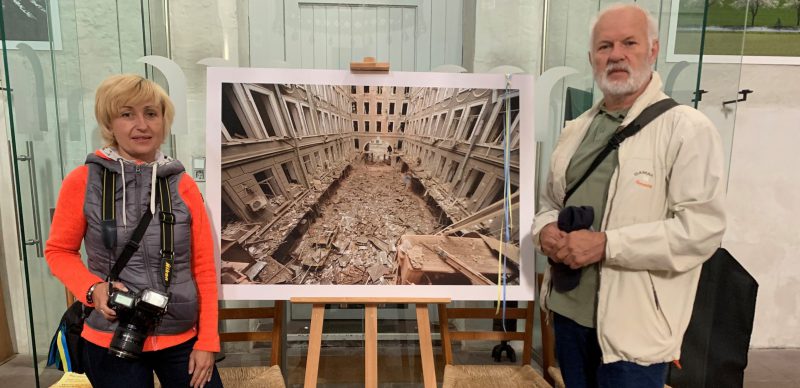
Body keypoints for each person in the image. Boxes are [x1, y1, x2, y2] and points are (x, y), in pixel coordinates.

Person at [533, 4, 726, 388]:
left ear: (652, 50)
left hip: (634, 331)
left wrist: (607, 245)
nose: (616, 54)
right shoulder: (576, 130)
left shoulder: (686, 129)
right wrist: (544, 231)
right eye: (605, 46)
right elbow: (550, 205)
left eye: (629, 43)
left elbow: (701, 230)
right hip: (570, 317)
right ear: (592, 58)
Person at [45, 74, 222, 388]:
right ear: (109, 123)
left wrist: (207, 340)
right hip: (110, 337)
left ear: (163, 121)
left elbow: (204, 267)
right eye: (127, 114)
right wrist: (93, 289)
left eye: (151, 113)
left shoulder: (182, 184)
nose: (142, 125)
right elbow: (59, 252)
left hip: (181, 337)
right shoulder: (83, 181)